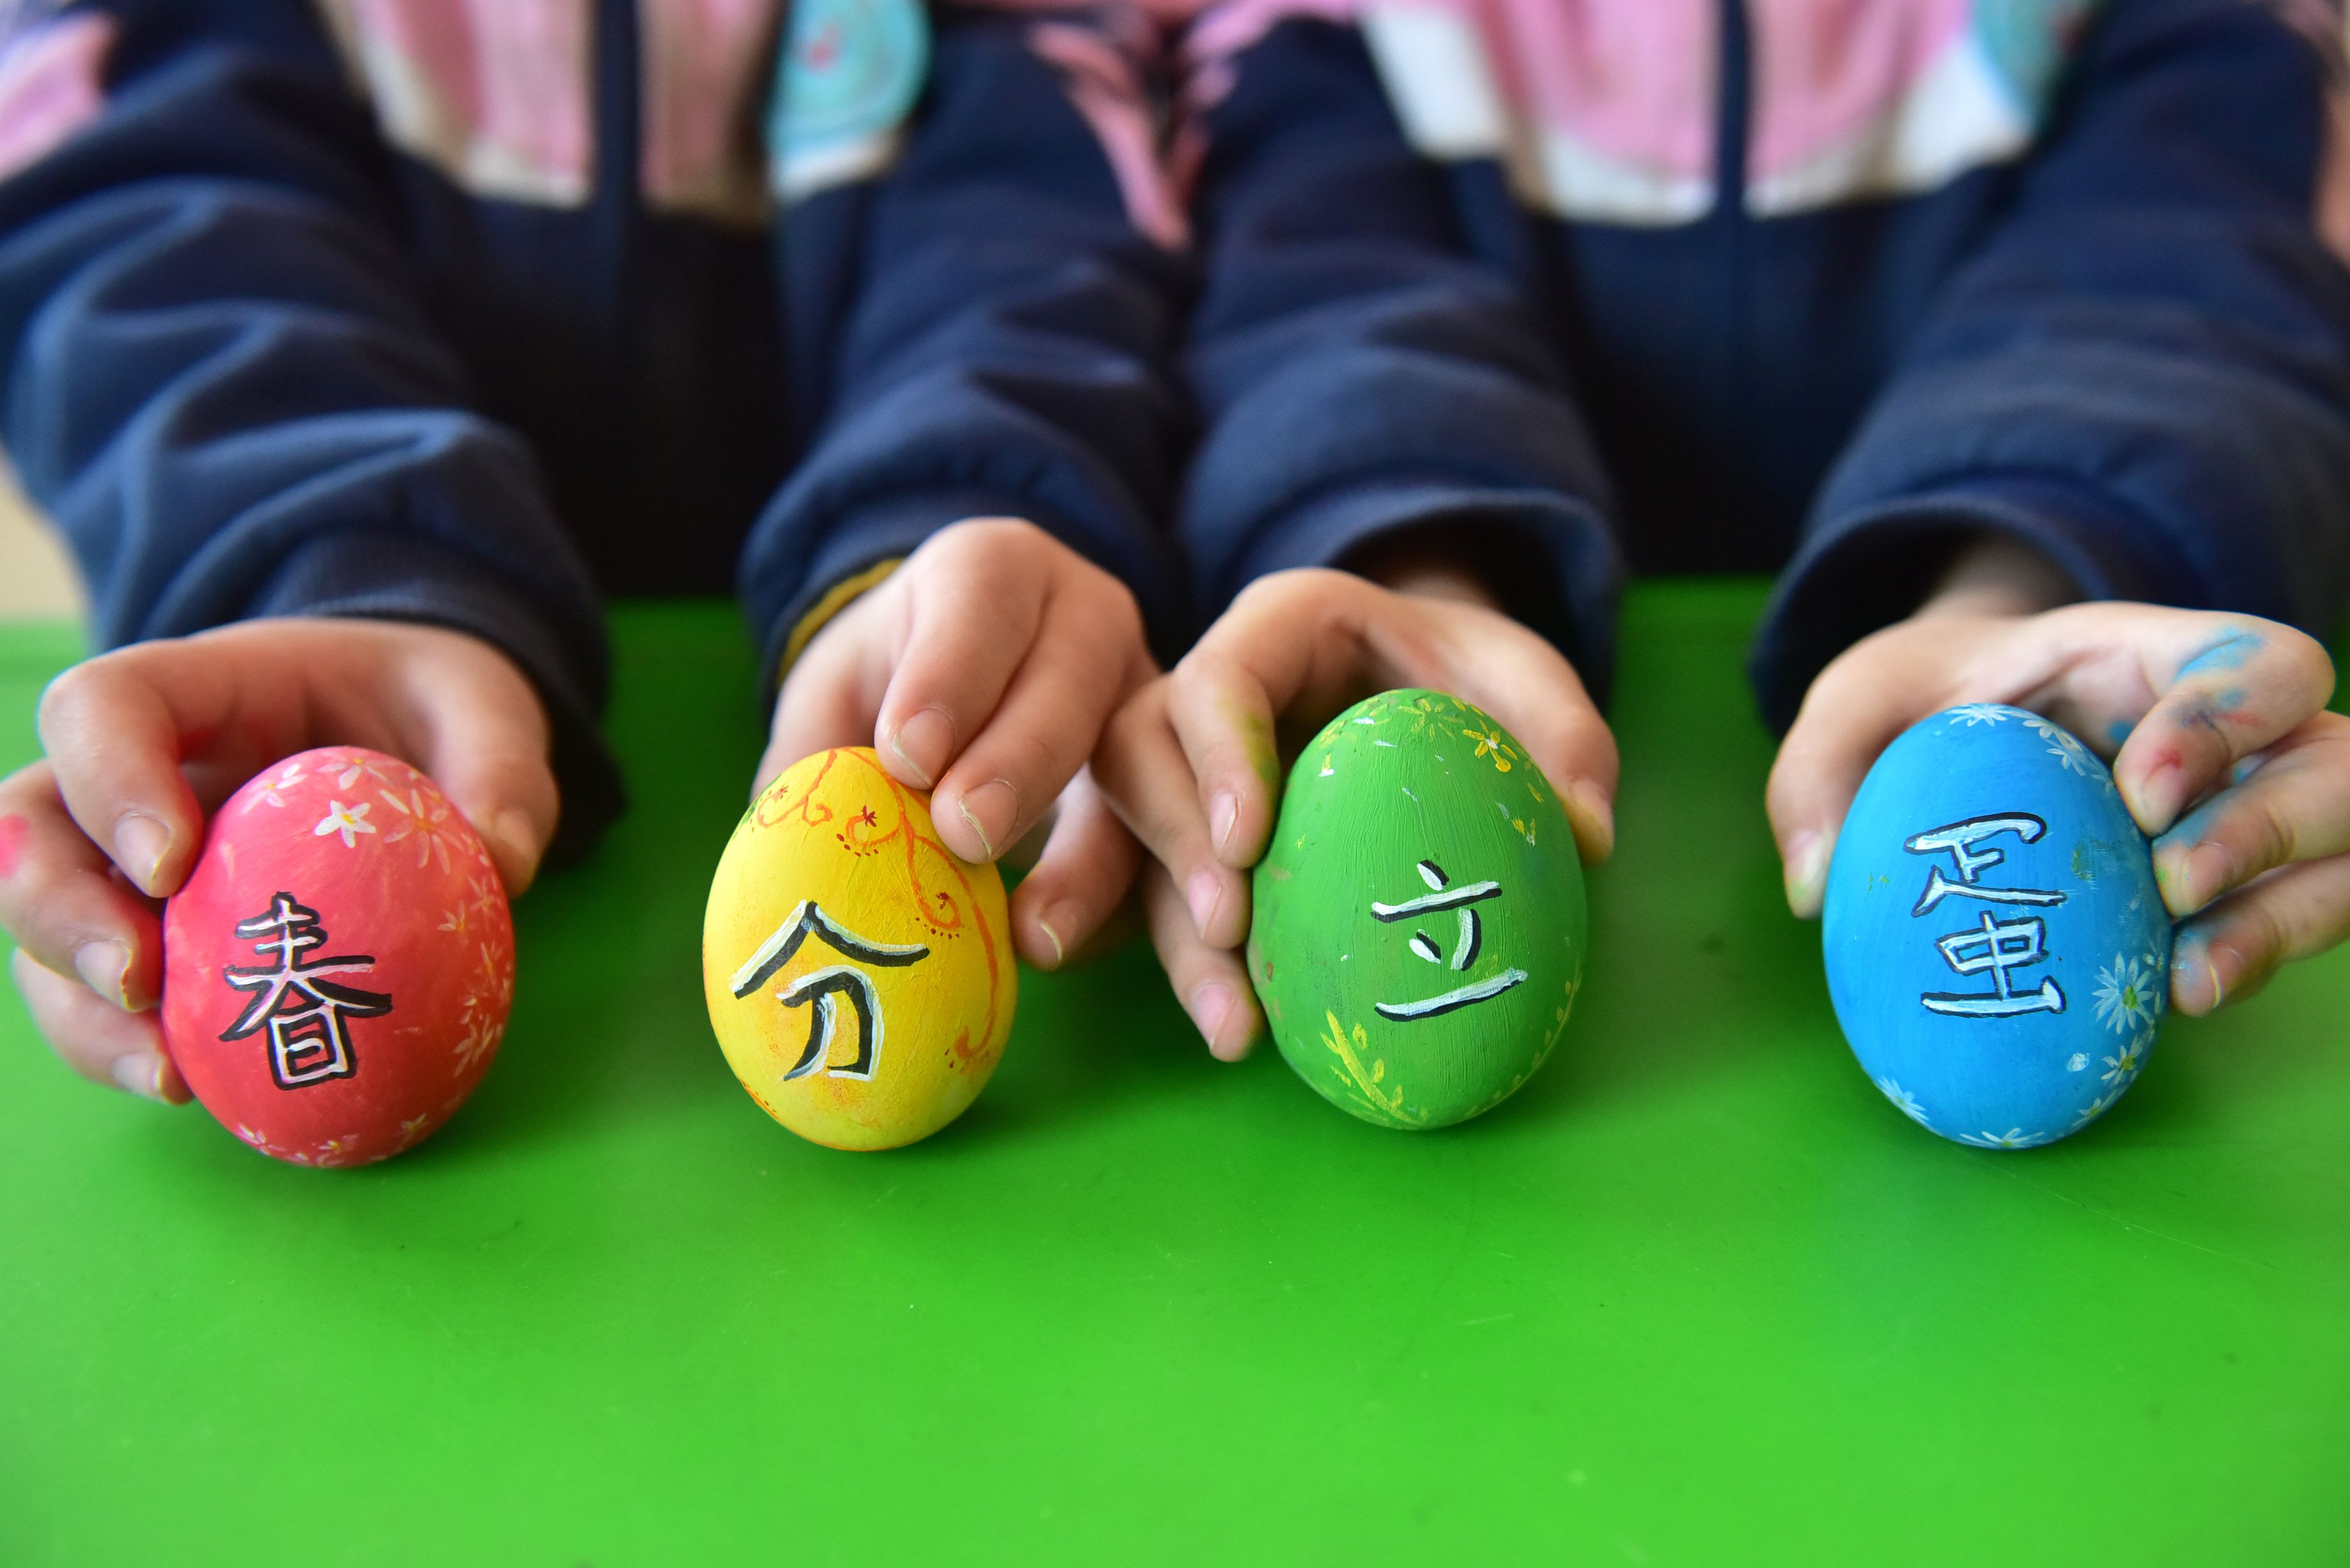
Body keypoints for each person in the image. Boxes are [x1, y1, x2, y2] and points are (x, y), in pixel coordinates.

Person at [1084, 0, 2350, 1056]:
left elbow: (2190, 241)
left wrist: (2017, 585)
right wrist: (1411, 574)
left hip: (1987, 595)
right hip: (1487, 608)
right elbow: (1320, 269)